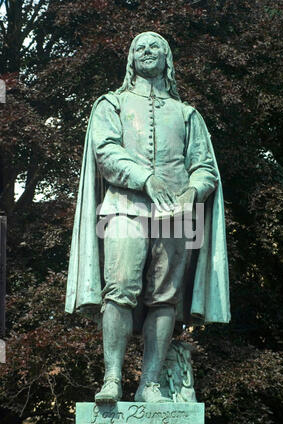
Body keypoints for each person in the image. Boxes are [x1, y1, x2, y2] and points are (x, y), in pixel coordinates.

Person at [65, 32, 230, 404]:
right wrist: (145, 179)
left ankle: (150, 384)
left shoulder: (188, 114)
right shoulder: (112, 104)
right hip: (123, 208)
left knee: (165, 299)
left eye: (155, 46)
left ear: (167, 58)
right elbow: (105, 152)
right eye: (139, 47)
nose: (147, 51)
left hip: (176, 214)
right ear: (131, 59)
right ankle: (112, 378)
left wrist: (192, 192)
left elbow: (205, 168)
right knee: (119, 289)